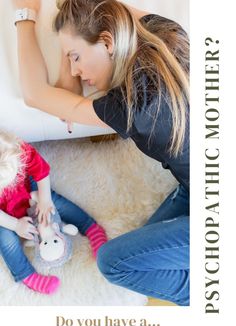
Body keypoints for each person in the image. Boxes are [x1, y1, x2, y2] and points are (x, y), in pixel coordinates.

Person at [12, 0, 189, 305]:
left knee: (113, 262)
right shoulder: (166, 35)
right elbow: (107, 10)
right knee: (147, 253)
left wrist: (25, 15)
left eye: (75, 57)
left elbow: (35, 94)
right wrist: (68, 22)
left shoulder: (132, 105)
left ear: (107, 42)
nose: (75, 71)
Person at [0, 130, 108, 294]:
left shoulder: (16, 149)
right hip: (4, 213)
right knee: (6, 239)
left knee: (54, 201)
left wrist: (44, 200)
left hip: (28, 192)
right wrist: (15, 225)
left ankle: (91, 228)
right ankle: (27, 275)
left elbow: (41, 172)